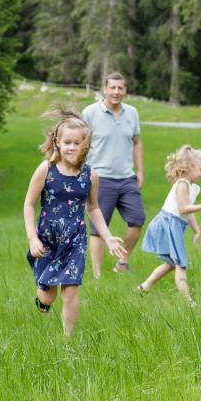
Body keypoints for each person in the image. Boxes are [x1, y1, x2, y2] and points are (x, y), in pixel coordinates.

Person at [24, 107, 126, 336]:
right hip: (46, 240)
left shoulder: (90, 175)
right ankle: (43, 302)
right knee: (48, 294)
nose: (71, 147)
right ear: (57, 142)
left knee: (71, 290)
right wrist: (32, 238)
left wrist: (108, 238)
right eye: (67, 142)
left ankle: (67, 341)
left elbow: (93, 208)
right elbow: (29, 204)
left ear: (85, 145)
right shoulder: (46, 170)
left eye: (76, 143)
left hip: (75, 240)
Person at [139, 145, 201, 303]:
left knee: (171, 263)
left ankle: (144, 287)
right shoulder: (182, 184)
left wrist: (197, 231)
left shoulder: (191, 186)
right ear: (189, 167)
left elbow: (187, 212)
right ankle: (189, 302)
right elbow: (184, 209)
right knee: (180, 264)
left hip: (174, 224)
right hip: (169, 224)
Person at [82, 72, 145, 278]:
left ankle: (122, 262)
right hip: (99, 178)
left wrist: (140, 170)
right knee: (98, 229)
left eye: (120, 88)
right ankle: (98, 276)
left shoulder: (132, 113)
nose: (116, 92)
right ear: (105, 89)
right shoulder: (90, 113)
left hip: (127, 177)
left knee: (137, 220)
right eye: (113, 88)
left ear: (125, 90)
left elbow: (137, 142)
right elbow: (80, 143)